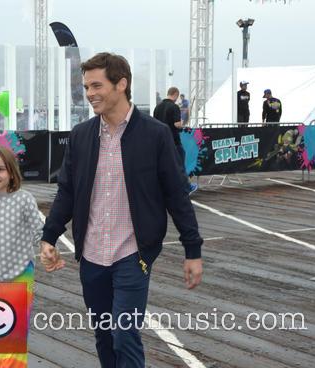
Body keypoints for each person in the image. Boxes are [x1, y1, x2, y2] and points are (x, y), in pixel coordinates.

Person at [40, 52, 203, 368]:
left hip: (133, 254)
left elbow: (177, 195)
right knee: (104, 335)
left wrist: (192, 250)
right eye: (87, 87)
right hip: (91, 256)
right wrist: (50, 236)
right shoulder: (81, 135)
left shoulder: (155, 134)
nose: (90, 94)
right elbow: (67, 193)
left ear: (121, 84)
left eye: (97, 85)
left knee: (124, 334)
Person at [0, 145, 44, 368]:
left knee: (14, 336)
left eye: (0, 169)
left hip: (21, 274)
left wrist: (47, 249)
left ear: (11, 172)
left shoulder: (24, 199)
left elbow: (39, 231)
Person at [153, 87, 198, 194]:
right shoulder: (174, 107)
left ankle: (163, 189)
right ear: (175, 94)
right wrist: (183, 125)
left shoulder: (157, 107)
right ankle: (187, 188)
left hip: (160, 142)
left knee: (163, 167)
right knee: (180, 165)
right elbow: (177, 124)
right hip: (173, 141)